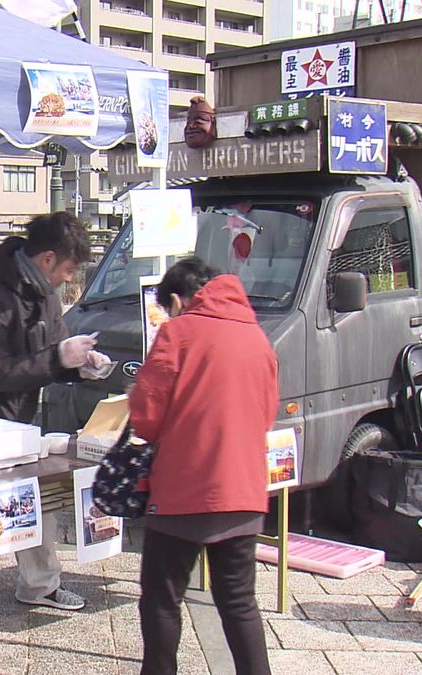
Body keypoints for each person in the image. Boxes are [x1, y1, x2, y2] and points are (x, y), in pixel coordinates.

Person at [0, 211, 109, 660]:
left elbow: (54, 352)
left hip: (20, 423)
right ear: (48, 258)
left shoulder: (44, 295)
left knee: (39, 504)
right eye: (69, 270)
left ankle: (40, 585)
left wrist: (82, 365)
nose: (68, 280)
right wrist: (58, 359)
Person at [128, 257, 278, 675]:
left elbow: (146, 417)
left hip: (184, 493)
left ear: (177, 301)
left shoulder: (177, 333)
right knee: (239, 602)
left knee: (161, 597)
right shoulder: (256, 336)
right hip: (243, 491)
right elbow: (266, 414)